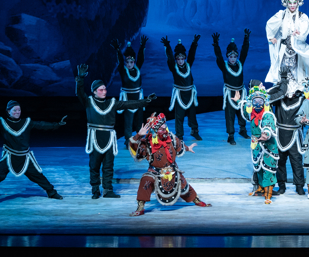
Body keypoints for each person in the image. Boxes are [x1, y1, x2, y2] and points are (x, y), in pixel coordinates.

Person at [76, 64, 156, 199]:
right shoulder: (89, 102)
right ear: (94, 91)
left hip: (109, 138)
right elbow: (79, 93)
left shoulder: (111, 103)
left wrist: (145, 101)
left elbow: (129, 104)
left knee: (108, 165)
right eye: (101, 89)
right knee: (94, 165)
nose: (104, 91)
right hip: (95, 138)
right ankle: (95, 190)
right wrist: (80, 78)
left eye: (105, 89)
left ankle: (107, 190)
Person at [0, 91, 67, 205]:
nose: (17, 112)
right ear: (8, 111)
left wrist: (57, 125)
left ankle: (51, 192)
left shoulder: (26, 122)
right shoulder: (3, 122)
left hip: (24, 156)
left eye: (19, 110)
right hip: (10, 156)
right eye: (14, 110)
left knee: (38, 176)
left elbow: (42, 125)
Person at [128, 113, 211, 216]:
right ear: (155, 130)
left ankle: (196, 199)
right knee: (146, 181)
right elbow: (137, 150)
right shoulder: (148, 142)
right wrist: (138, 135)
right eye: (162, 129)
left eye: (165, 127)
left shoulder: (171, 137)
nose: (165, 130)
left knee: (183, 184)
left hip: (172, 170)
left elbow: (179, 145)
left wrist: (187, 148)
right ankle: (140, 207)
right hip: (155, 171)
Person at [264, 65, 306, 195]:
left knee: (296, 161)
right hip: (280, 134)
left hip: (294, 134)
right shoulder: (279, 99)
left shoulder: (302, 98)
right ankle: (281, 185)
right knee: (280, 161)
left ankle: (299, 186)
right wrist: (282, 82)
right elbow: (268, 95)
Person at [238, 82, 279, 204]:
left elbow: (268, 125)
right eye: (255, 101)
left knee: (268, 169)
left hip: (268, 145)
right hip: (256, 144)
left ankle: (268, 194)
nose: (257, 104)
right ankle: (261, 189)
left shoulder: (267, 114)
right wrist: (239, 100)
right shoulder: (252, 114)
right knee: (259, 168)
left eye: (260, 101)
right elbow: (245, 111)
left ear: (265, 102)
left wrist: (266, 133)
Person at [213, 30, 251, 145]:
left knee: (242, 112)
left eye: (235, 56)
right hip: (230, 93)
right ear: (228, 56)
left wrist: (246, 39)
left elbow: (244, 52)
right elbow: (219, 56)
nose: (233, 58)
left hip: (241, 91)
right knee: (230, 115)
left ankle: (242, 130)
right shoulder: (224, 66)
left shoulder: (240, 64)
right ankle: (231, 135)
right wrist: (216, 44)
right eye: (231, 56)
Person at [110, 36, 148, 147]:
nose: (130, 64)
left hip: (138, 98)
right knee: (128, 122)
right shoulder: (123, 70)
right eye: (128, 62)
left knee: (139, 121)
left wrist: (142, 46)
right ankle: (128, 140)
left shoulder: (137, 69)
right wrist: (118, 50)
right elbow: (120, 61)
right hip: (128, 99)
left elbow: (141, 58)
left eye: (131, 62)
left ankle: (140, 139)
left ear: (134, 62)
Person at [162, 35, 202, 140]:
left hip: (190, 94)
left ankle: (194, 131)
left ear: (184, 58)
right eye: (178, 59)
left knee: (192, 114)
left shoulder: (188, 65)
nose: (180, 61)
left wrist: (194, 43)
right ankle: (179, 135)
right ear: (176, 59)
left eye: (182, 58)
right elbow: (170, 58)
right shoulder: (174, 67)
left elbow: (192, 55)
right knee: (179, 116)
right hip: (179, 94)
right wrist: (167, 46)